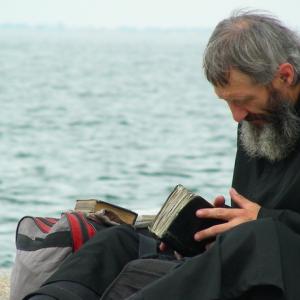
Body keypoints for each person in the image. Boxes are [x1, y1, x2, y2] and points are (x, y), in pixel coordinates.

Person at [25, 10, 300, 300]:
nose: (236, 116)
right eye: (228, 102)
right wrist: (217, 225)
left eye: (242, 100)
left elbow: (262, 233)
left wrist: (264, 220)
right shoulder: (258, 121)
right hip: (249, 266)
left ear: (284, 75)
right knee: (119, 241)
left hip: (280, 269)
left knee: (258, 238)